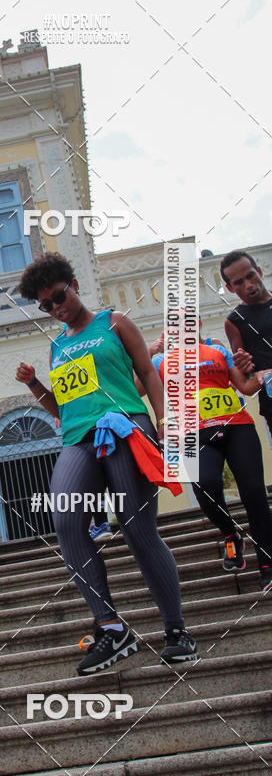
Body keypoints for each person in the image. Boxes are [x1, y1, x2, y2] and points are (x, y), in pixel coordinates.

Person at [15, 252, 197, 675]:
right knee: (65, 522)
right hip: (78, 437)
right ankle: (113, 628)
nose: (56, 308)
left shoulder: (115, 322)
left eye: (59, 297)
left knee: (138, 530)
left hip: (124, 426)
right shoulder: (56, 345)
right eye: (46, 305)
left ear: (74, 284)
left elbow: (148, 373)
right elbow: (61, 407)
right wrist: (35, 385)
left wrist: (164, 419)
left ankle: (176, 630)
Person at [151, 319, 272, 590]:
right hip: (193, 435)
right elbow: (136, 386)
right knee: (205, 486)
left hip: (236, 426)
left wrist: (261, 374)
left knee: (253, 492)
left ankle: (267, 565)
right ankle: (231, 534)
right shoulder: (161, 361)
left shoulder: (218, 351)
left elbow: (246, 387)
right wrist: (149, 351)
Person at [221, 250, 272, 434]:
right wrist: (245, 367)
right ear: (230, 288)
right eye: (239, 282)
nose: (249, 285)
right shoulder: (235, 321)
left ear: (259, 271)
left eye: (251, 276)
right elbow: (246, 378)